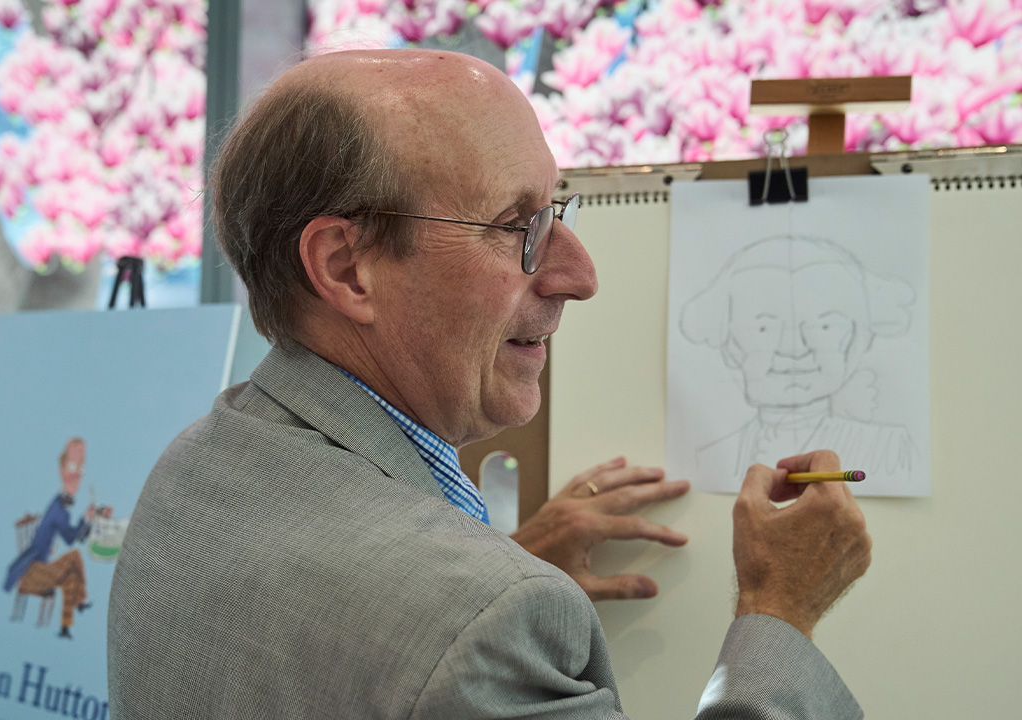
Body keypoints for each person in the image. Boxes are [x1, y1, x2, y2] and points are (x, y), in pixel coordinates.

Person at [108, 49, 871, 718]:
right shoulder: (484, 618)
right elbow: (433, 630)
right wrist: (780, 613)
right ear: (346, 268)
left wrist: (497, 556)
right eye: (518, 225)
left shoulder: (192, 470)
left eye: (557, 210)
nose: (580, 275)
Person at [681, 234, 915, 483]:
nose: (793, 350)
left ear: (858, 339)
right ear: (729, 345)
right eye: (763, 328)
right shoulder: (706, 460)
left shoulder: (890, 449)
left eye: (824, 327)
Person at [5, 437, 108, 638]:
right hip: (32, 572)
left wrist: (86, 519)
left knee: (71, 573)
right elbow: (70, 538)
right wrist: (86, 519)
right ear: (61, 470)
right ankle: (79, 602)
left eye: (81, 468)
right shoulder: (58, 509)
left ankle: (65, 627)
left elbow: (69, 536)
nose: (77, 475)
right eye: (72, 466)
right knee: (74, 558)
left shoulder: (60, 506)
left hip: (40, 568)